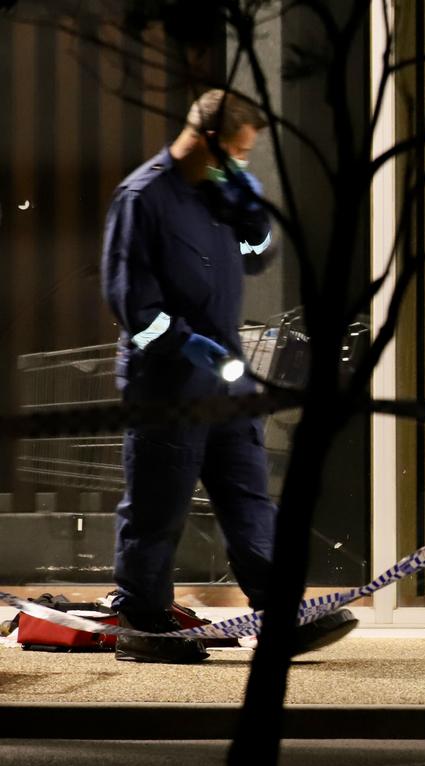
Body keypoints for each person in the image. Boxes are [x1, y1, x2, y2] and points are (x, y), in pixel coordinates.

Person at [101, 89, 357, 663]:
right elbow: (131, 306)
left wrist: (252, 214)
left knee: (248, 498)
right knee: (157, 505)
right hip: (166, 386)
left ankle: (280, 613)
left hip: (225, 384)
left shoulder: (217, 192)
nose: (242, 163)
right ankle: (144, 622)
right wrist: (183, 345)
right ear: (208, 139)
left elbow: (257, 253)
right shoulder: (143, 198)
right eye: (238, 152)